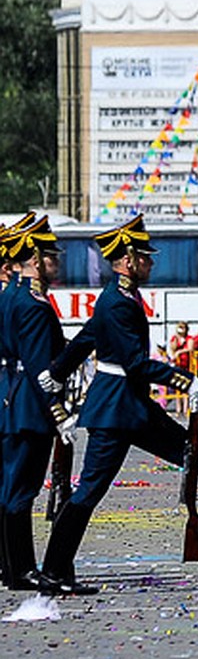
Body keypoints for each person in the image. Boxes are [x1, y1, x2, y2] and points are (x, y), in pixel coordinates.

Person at [36, 214, 198, 596]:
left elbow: (86, 338)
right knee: (90, 492)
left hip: (129, 406)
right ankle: (53, 572)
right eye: (146, 257)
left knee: (192, 453)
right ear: (129, 260)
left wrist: (58, 371)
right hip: (116, 412)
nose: (152, 263)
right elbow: (133, 362)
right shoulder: (118, 302)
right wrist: (183, 379)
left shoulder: (120, 298)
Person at [0, 215, 64, 589]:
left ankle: (11, 567)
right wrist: (58, 411)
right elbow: (40, 365)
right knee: (22, 490)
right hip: (27, 404)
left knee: (9, 488)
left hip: (9, 396)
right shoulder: (33, 304)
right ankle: (22, 569)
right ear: (37, 259)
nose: (57, 261)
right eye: (52, 255)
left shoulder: (10, 297)